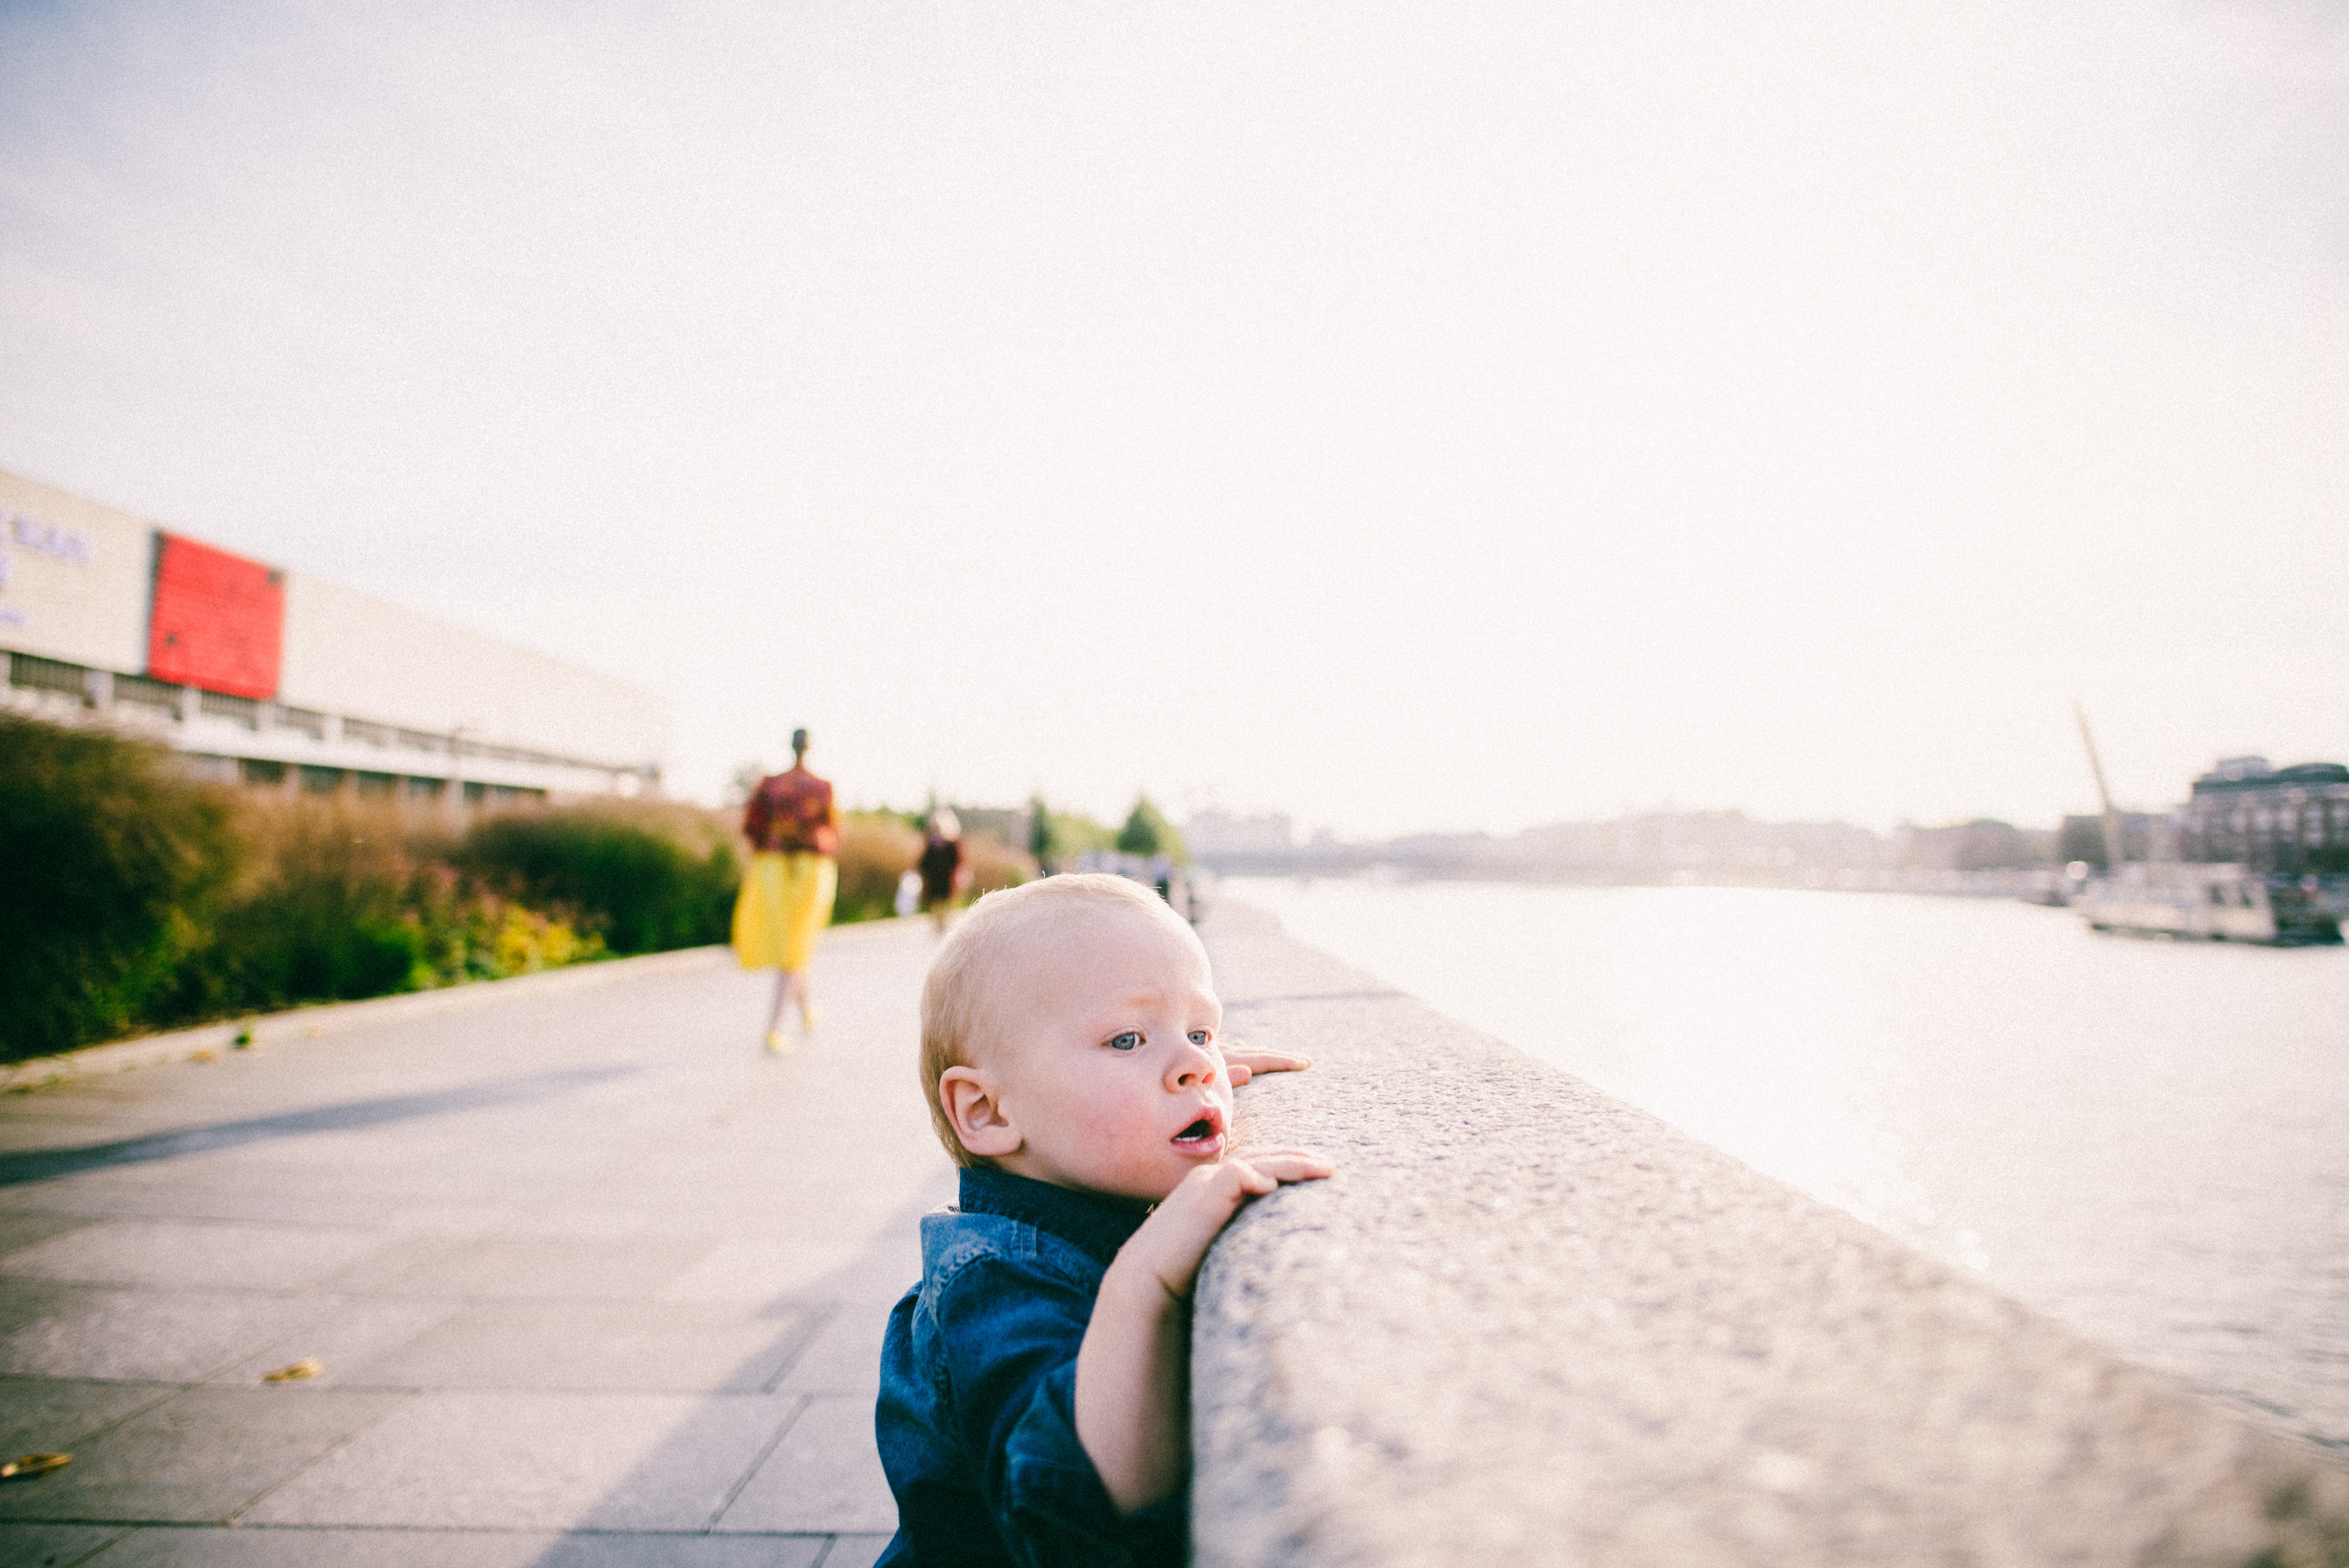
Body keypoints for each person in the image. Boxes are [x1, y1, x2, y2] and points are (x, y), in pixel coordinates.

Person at [875, 873, 1330, 1566]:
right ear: (989, 1112)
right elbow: (1074, 1504)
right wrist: (1144, 1280)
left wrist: (1178, 1062)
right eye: (1126, 1039)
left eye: (1202, 1030)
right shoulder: (990, 1283)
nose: (1195, 1066)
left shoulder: (1090, 1175)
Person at [733, 728, 839, 1052]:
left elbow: (751, 827)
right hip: (810, 869)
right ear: (810, 747)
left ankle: (807, 1011)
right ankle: (775, 1028)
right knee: (797, 943)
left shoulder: (770, 785)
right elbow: (832, 830)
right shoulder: (822, 787)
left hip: (773, 867)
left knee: (793, 943)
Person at [916, 808, 966, 934]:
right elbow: (923, 862)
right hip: (933, 879)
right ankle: (939, 923)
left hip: (945, 878)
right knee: (936, 902)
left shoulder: (950, 844)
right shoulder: (930, 844)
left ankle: (942, 923)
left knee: (944, 901)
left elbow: (957, 861)